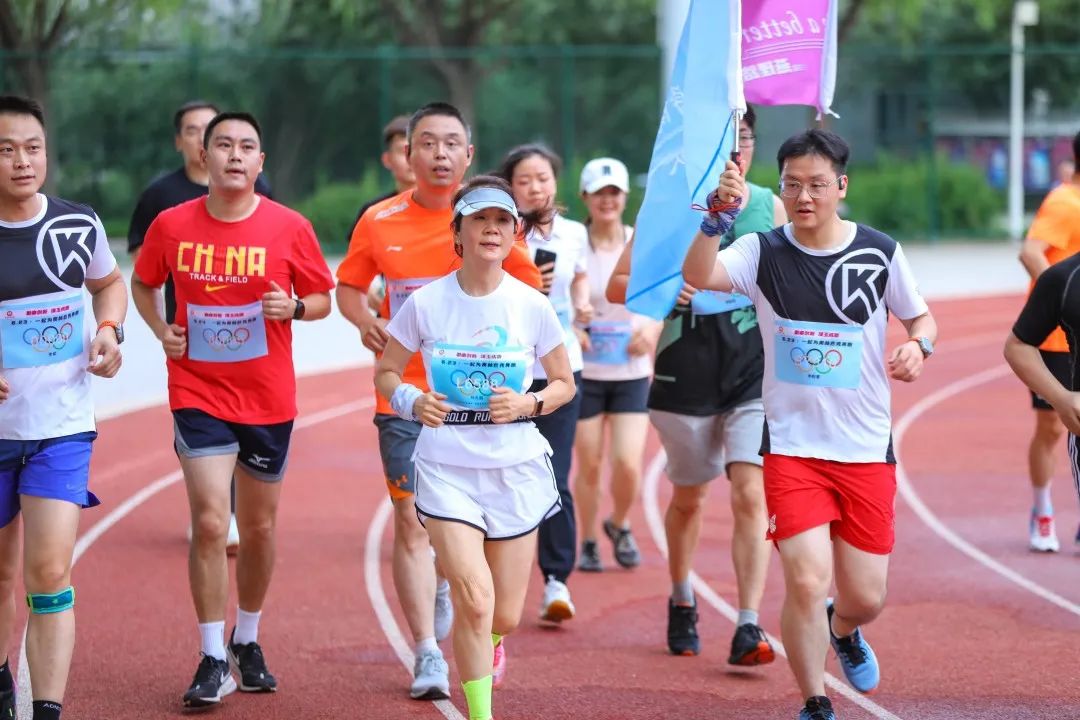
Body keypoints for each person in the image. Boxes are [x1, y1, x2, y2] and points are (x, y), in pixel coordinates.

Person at [682, 129, 936, 720]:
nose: (804, 197)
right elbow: (698, 274)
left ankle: (842, 629)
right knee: (804, 579)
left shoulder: (879, 251)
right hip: (793, 448)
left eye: (817, 185)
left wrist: (919, 347)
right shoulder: (762, 252)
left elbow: (922, 318)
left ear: (841, 186)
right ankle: (815, 701)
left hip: (865, 448)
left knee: (865, 596)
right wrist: (717, 218)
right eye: (792, 185)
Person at [336, 102, 542, 701]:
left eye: (452, 143)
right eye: (427, 143)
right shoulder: (379, 221)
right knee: (408, 520)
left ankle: (461, 592)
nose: (440, 154)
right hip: (410, 400)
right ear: (408, 153)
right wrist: (365, 321)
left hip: (482, 405)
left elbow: (527, 297)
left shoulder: (489, 220)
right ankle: (427, 649)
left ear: (469, 155)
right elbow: (348, 288)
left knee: (485, 572)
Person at [131, 111, 334, 709]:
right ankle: (211, 655)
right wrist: (160, 330)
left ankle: (247, 638)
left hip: (267, 397)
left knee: (261, 528)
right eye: (224, 145)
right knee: (212, 521)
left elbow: (321, 298)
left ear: (260, 162)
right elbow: (143, 283)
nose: (235, 155)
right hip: (197, 389)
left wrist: (294, 308)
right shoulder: (172, 224)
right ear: (204, 156)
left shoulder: (290, 226)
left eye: (247, 147)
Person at [376, 175, 574, 720]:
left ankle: (491, 641)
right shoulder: (426, 303)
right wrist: (413, 401)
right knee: (475, 597)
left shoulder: (531, 305)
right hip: (446, 468)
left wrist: (529, 403)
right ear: (458, 232)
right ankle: (480, 714)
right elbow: (388, 372)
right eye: (479, 219)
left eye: (502, 220)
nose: (491, 229)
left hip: (514, 468)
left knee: (503, 613)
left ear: (515, 233)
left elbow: (564, 383)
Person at [606, 107, 783, 665]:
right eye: (725, 140)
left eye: (745, 138)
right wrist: (667, 291)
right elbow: (616, 285)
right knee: (689, 497)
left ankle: (748, 622)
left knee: (751, 492)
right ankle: (682, 597)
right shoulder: (667, 206)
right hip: (683, 370)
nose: (736, 150)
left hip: (752, 371)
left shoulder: (768, 206)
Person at [0, 94, 127, 720]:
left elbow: (109, 282)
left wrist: (109, 329)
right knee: (1, 575)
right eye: (6, 150)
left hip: (61, 428)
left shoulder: (77, 224)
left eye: (33, 148)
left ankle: (46, 710)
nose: (22, 161)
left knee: (48, 574)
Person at [128, 99, 273, 553]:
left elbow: (274, 244)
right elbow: (143, 267)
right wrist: (160, 327)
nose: (229, 152)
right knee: (205, 433)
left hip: (251, 344)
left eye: (210, 129)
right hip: (191, 342)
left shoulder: (259, 189)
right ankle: (212, 513)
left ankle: (227, 512)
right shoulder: (161, 197)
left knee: (244, 435)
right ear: (186, 143)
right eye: (193, 131)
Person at [497, 143, 590, 624]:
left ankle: (556, 580)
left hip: (560, 370)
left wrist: (582, 305)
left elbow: (581, 279)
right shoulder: (501, 233)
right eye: (524, 180)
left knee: (555, 473)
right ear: (510, 188)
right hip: (508, 371)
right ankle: (491, 574)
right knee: (502, 474)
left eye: (542, 178)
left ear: (555, 181)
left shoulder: (575, 233)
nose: (535, 187)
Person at [572, 157, 660, 573]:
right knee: (589, 464)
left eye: (614, 193)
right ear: (584, 197)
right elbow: (554, 298)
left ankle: (620, 523)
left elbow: (662, 295)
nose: (607, 200)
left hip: (630, 371)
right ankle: (589, 539)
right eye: (599, 193)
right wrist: (573, 328)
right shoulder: (574, 244)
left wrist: (652, 331)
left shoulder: (640, 242)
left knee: (627, 462)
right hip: (586, 372)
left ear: (625, 197)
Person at [1016, 131, 1080, 552]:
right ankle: (1042, 510)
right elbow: (1030, 251)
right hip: (1056, 339)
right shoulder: (1064, 202)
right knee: (1053, 426)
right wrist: (1060, 301)